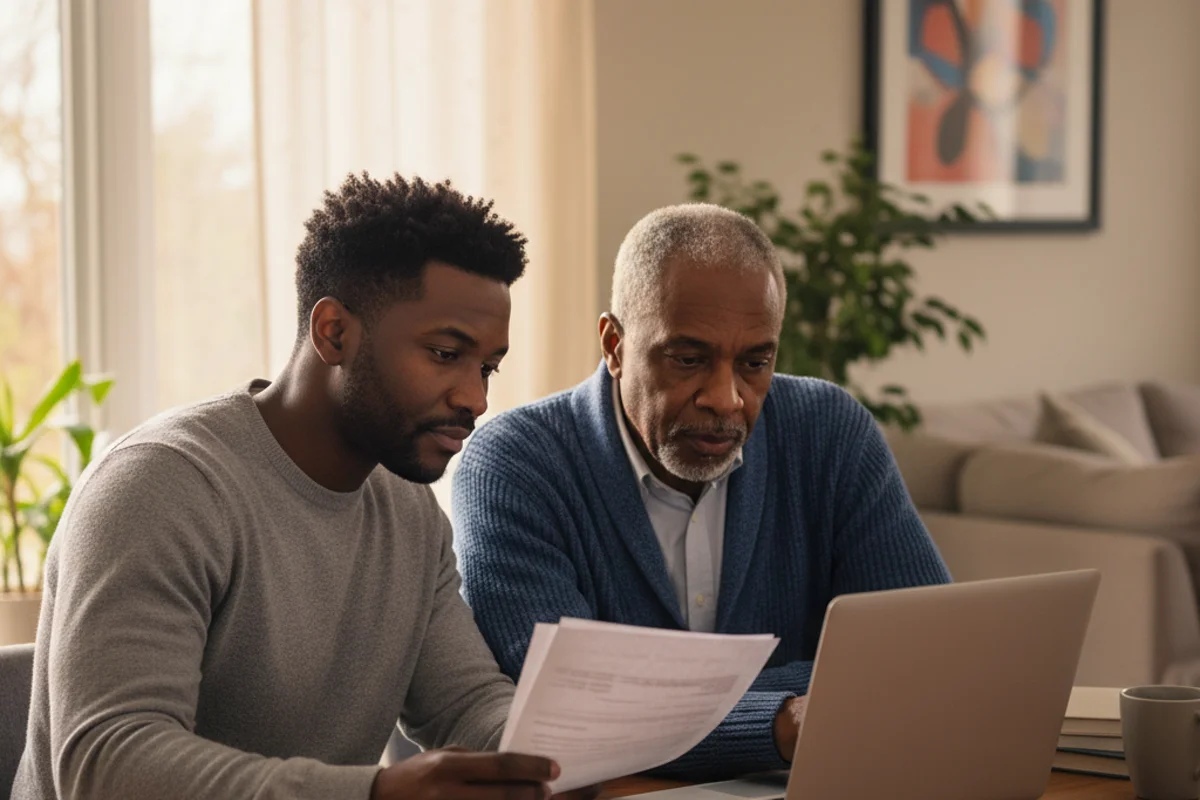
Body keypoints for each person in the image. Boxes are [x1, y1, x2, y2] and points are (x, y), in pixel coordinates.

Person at [12, 174, 572, 800]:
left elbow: (466, 703)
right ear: (334, 332)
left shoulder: (409, 512)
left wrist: (565, 757)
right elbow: (108, 765)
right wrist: (375, 793)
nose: (475, 398)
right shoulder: (160, 487)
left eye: (488, 367)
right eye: (445, 353)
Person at [451, 203, 953, 781]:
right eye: (689, 360)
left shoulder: (829, 432)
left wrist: (656, 706)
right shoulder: (514, 465)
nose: (726, 398)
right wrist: (786, 717)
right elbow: (570, 712)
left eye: (755, 363)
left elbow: (928, 659)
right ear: (614, 345)